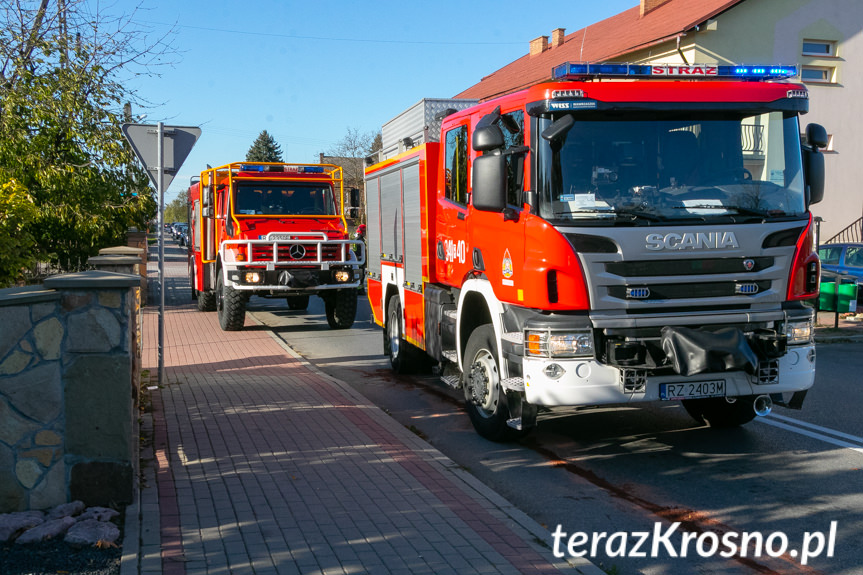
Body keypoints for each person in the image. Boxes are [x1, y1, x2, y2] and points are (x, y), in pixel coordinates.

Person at [353, 224, 367, 292]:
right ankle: (359, 290)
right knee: (360, 276)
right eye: (364, 231)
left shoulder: (361, 239)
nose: (365, 233)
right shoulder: (358, 240)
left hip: (360, 261)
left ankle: (360, 289)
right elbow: (356, 252)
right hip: (359, 261)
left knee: (362, 276)